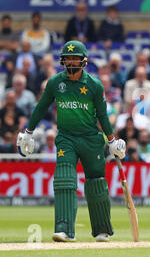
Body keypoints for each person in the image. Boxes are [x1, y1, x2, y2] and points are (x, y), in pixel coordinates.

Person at [16, 40, 126, 242]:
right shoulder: (55, 83)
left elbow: (102, 116)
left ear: (84, 60)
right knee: (64, 179)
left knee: (96, 183)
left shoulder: (94, 85)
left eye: (75, 58)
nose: (71, 62)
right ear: (62, 60)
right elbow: (41, 107)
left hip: (91, 140)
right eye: (68, 58)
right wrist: (28, 132)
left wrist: (112, 140)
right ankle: (64, 229)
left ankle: (102, 230)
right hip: (66, 138)